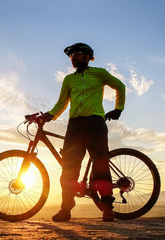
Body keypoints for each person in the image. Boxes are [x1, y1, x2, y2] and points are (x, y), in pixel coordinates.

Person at [35, 43, 126, 222]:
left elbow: (120, 86)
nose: (73, 58)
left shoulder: (99, 73)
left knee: (101, 168)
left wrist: (118, 108)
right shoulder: (69, 79)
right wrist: (48, 116)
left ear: (87, 57)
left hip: (95, 124)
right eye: (71, 56)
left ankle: (108, 208)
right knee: (68, 170)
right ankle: (66, 210)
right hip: (75, 126)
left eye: (77, 55)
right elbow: (61, 103)